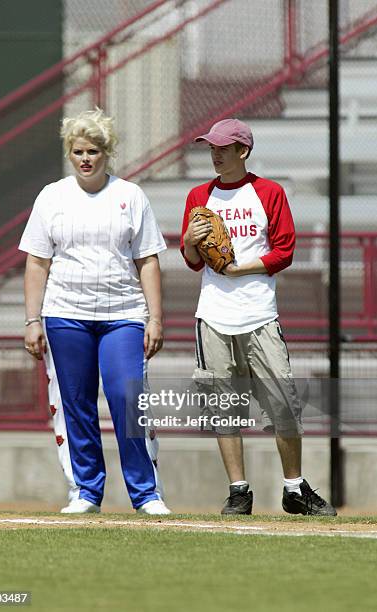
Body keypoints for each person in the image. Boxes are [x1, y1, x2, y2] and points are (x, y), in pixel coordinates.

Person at [180, 118, 336, 516]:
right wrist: (190, 243)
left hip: (260, 314)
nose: (215, 154)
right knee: (223, 405)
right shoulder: (199, 196)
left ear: (242, 152)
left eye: (223, 148)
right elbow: (193, 261)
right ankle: (239, 491)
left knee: (284, 405)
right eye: (211, 147)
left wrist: (239, 269)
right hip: (213, 316)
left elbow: (284, 251)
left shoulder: (268, 192)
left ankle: (294, 488)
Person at [19, 108, 171, 515]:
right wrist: (33, 320)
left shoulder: (130, 196)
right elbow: (37, 262)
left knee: (127, 396)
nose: (86, 158)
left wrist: (154, 317)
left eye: (93, 151)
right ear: (70, 153)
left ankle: (146, 493)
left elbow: (148, 260)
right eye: (78, 151)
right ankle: (85, 491)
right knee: (76, 403)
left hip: (123, 313)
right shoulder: (52, 197)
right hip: (64, 313)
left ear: (108, 152)